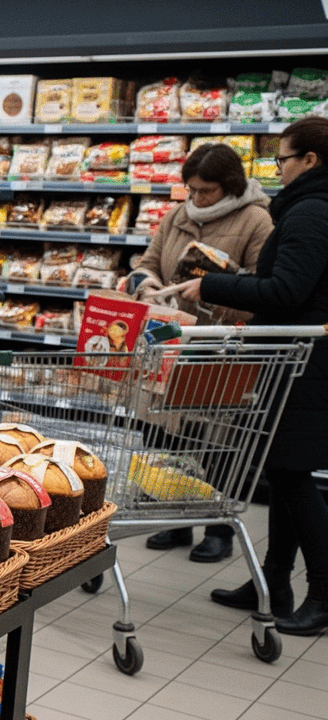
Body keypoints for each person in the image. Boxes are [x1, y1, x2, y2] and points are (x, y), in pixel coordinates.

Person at [168, 117, 328, 636]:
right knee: (283, 476)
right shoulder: (309, 209)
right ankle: (274, 582)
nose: (277, 168)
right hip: (297, 360)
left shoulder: (310, 212)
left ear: (310, 161)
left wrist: (214, 285)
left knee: (295, 482)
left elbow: (286, 293)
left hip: (304, 366)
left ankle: (324, 593)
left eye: (281, 159)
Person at [130, 143, 273, 563]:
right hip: (170, 338)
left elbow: (264, 287)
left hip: (221, 343)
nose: (196, 198)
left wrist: (215, 287)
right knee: (166, 434)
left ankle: (217, 528)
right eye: (191, 189)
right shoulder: (178, 215)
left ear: (229, 186)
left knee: (216, 440)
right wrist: (148, 286)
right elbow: (148, 260)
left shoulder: (256, 220)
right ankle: (175, 517)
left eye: (205, 191)